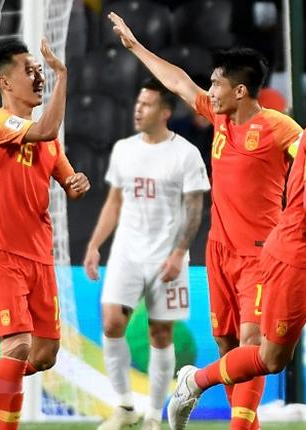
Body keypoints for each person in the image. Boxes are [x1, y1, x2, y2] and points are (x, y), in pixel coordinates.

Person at [162, 51, 306, 430]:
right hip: (286, 254)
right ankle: (195, 382)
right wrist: (136, 47)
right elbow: (179, 83)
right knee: (254, 353)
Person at [108, 12, 303, 430]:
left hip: (260, 254)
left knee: (254, 343)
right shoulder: (219, 118)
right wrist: (136, 47)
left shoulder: (278, 127)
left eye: (216, 84)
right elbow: (178, 80)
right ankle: (242, 419)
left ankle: (216, 404)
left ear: (241, 90)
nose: (209, 92)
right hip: (218, 250)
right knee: (228, 343)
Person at [0, 39, 90, 429]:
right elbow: (44, 128)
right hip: (0, 251)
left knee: (43, 356)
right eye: (29, 69)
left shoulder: (50, 143)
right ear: (6, 83)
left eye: (38, 69)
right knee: (19, 344)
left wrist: (76, 184)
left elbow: (68, 184)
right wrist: (62, 75)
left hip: (39, 256)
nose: (37, 74)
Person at [83, 79, 210, 430]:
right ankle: (124, 407)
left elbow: (194, 208)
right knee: (111, 323)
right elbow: (114, 201)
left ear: (165, 112)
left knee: (160, 334)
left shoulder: (185, 153)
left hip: (167, 254)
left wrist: (179, 252)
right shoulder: (124, 149)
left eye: (148, 104)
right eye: (138, 103)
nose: (139, 109)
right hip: (126, 250)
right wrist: (95, 245)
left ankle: (154, 414)